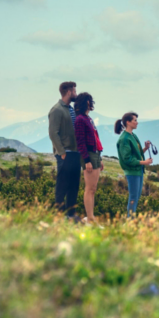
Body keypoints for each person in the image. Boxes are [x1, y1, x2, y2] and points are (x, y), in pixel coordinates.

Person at [48, 81, 80, 219]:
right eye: (74, 91)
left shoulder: (71, 109)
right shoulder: (56, 110)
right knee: (62, 186)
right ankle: (59, 216)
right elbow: (53, 133)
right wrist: (61, 152)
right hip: (65, 154)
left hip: (75, 153)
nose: (76, 94)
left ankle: (71, 215)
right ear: (68, 92)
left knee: (74, 185)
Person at [73, 92, 104, 224]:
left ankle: (91, 217)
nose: (92, 104)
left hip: (95, 153)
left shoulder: (88, 118)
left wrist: (100, 158)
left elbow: (95, 138)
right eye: (90, 101)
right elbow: (80, 141)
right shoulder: (80, 119)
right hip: (89, 155)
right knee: (89, 188)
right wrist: (86, 160)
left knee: (93, 188)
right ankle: (90, 219)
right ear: (86, 102)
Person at [115, 112, 153, 217]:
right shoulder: (124, 139)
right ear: (128, 122)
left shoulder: (133, 135)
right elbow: (127, 159)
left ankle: (131, 219)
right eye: (135, 120)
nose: (137, 122)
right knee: (133, 196)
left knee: (136, 196)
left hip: (138, 170)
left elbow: (135, 154)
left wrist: (145, 148)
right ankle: (130, 220)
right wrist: (144, 162)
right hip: (132, 171)